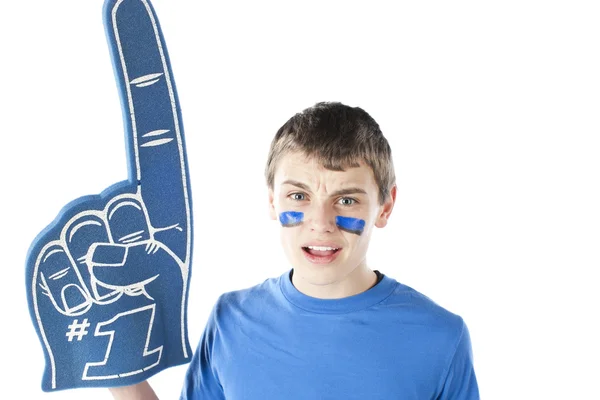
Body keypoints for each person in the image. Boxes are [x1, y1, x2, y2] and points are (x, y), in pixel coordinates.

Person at [110, 101, 480, 399]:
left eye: (347, 199)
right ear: (272, 201)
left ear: (385, 206)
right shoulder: (230, 320)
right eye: (299, 195)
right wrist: (120, 376)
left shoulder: (440, 338)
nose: (321, 222)